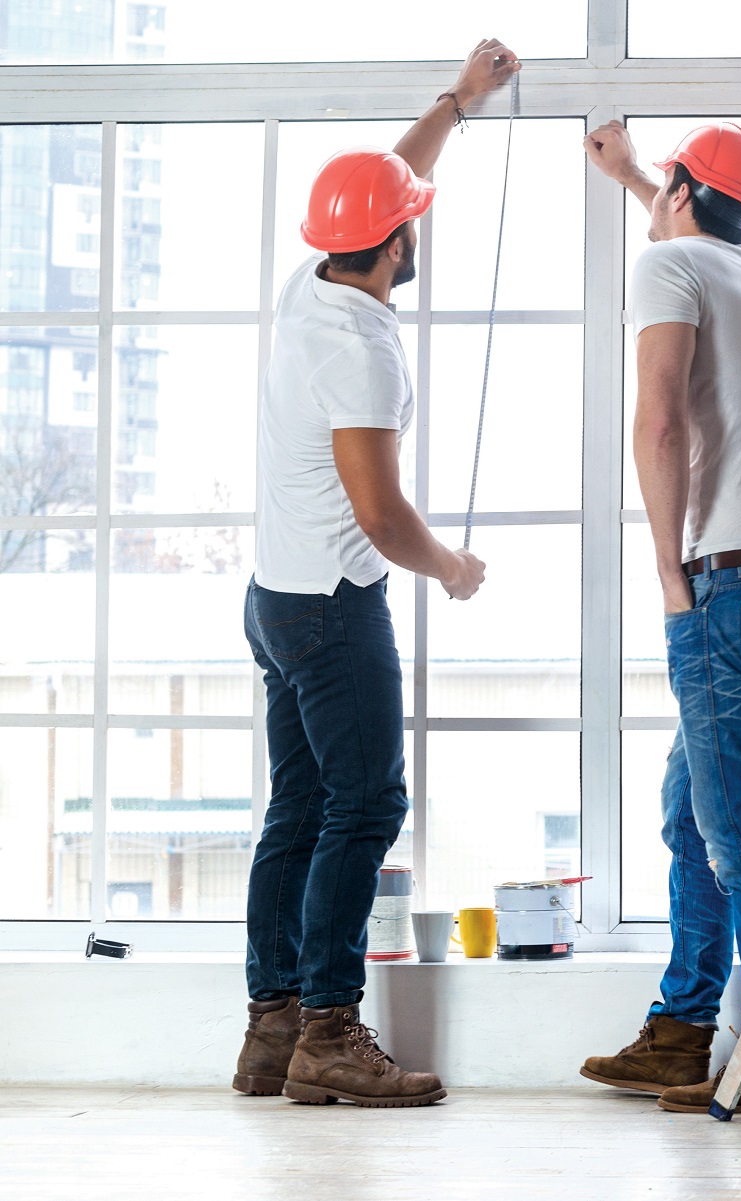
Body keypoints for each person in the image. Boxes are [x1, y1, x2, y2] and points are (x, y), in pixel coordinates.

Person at [230, 39, 519, 1109]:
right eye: (413, 221)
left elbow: (381, 185)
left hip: (270, 597)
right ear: (396, 243)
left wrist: (457, 102)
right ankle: (331, 1034)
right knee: (365, 805)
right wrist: (451, 567)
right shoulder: (364, 348)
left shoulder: (305, 284)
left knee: (297, 810)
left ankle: (270, 1032)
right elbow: (380, 512)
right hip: (332, 610)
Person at [578, 119, 741, 1114]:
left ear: (681, 192)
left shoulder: (671, 267)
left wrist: (668, 575)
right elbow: (694, 234)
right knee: (695, 812)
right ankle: (682, 1030)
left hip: (724, 585)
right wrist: (641, 175)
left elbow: (662, 420)